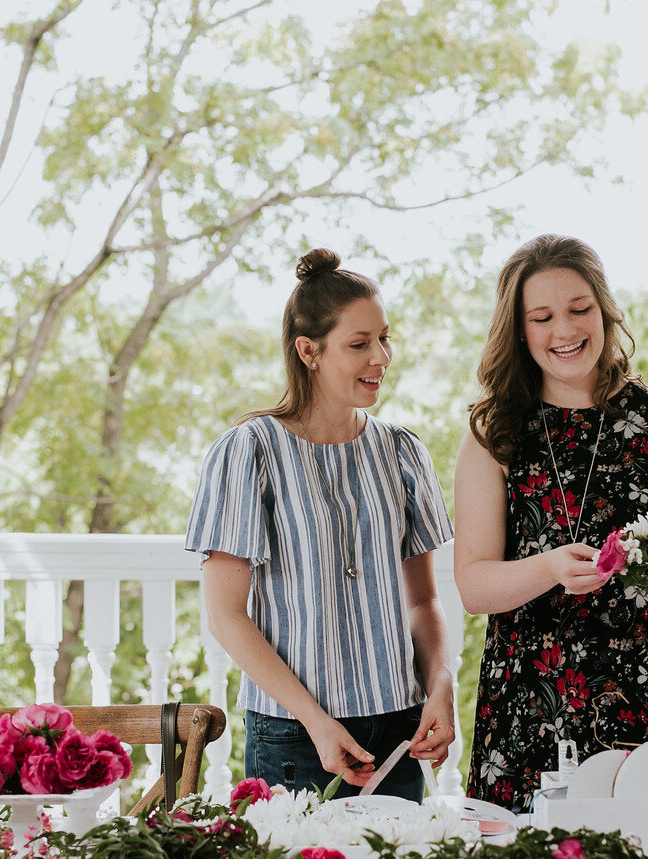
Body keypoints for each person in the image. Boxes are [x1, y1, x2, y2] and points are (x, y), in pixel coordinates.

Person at [453, 234, 648, 811]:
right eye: (542, 317)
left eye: (579, 309)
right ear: (519, 330)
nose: (565, 331)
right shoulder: (493, 435)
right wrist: (547, 568)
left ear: (605, 310)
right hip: (535, 714)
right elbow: (473, 587)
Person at [187, 249, 456, 802]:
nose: (381, 356)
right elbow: (226, 616)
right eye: (359, 344)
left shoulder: (403, 452)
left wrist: (441, 685)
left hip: (398, 730)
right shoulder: (249, 451)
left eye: (384, 338)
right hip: (293, 735)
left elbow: (422, 602)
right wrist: (314, 720)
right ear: (308, 351)